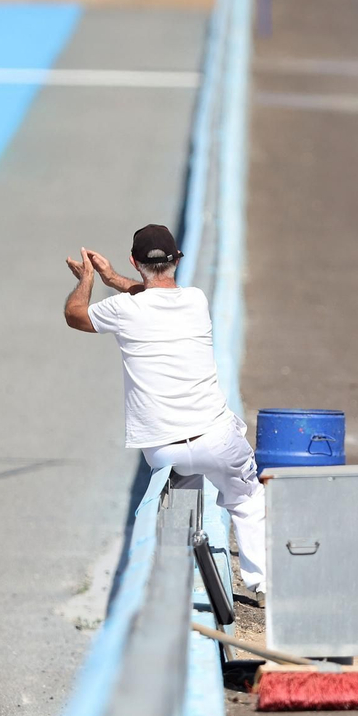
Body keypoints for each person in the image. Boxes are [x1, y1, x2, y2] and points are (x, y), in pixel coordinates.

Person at [63, 224, 267, 594]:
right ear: (178, 260)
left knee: (180, 495)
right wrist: (115, 279)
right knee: (248, 498)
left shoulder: (123, 310)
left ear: (134, 262)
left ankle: (174, 588)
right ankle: (261, 581)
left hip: (162, 448)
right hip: (216, 439)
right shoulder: (196, 300)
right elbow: (153, 293)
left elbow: (76, 314)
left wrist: (90, 279)